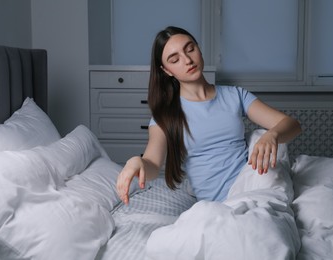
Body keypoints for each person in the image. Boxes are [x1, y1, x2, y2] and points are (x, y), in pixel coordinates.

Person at [117, 26, 301, 204]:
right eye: (175, 60)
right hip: (218, 204)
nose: (187, 60)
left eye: (190, 49)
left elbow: (291, 124)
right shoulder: (165, 116)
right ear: (166, 71)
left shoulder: (235, 95)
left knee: (265, 139)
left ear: (199, 49)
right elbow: (153, 164)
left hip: (252, 182)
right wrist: (137, 162)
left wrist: (273, 134)